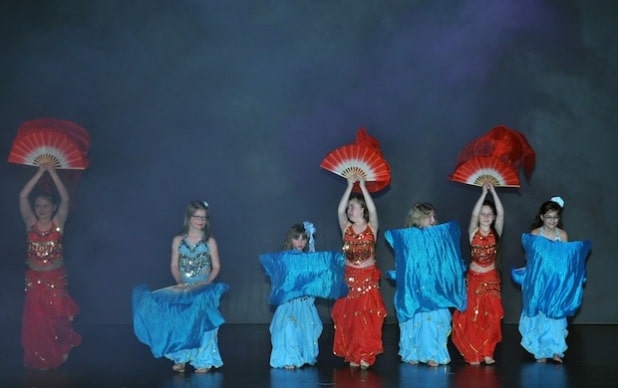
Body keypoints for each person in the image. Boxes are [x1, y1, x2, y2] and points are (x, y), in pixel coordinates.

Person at [132, 200, 228, 374]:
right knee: (181, 323)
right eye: (197, 217)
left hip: (203, 288)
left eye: (204, 218)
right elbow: (174, 265)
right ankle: (181, 358)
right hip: (183, 288)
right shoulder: (178, 240)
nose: (201, 221)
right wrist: (178, 280)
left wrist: (206, 283)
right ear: (189, 217)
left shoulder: (209, 241)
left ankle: (203, 360)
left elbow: (217, 267)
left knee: (204, 323)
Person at [386, 202, 466, 367]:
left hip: (434, 288)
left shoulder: (439, 237)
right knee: (414, 318)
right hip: (414, 288)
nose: (432, 220)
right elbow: (404, 260)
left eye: (434, 216)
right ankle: (412, 351)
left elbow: (446, 260)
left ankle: (433, 354)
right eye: (428, 216)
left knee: (434, 320)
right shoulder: (409, 237)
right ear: (418, 218)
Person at [19, 163, 81, 370]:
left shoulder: (58, 223)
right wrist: (39, 173)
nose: (41, 209)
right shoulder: (30, 222)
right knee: (37, 322)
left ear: (52, 207)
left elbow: (65, 199)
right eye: (38, 206)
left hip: (55, 280)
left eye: (46, 206)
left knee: (57, 319)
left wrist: (53, 173)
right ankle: (42, 357)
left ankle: (60, 349)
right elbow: (22, 197)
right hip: (34, 279)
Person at [514, 197, 590, 364]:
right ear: (542, 217)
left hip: (556, 283)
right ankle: (539, 350)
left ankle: (556, 350)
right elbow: (529, 256)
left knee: (556, 316)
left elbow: (566, 260)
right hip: (539, 281)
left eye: (555, 217)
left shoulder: (562, 235)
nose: (552, 221)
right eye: (549, 217)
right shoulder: (535, 234)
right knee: (539, 314)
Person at [331, 176, 386, 369]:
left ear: (362, 209)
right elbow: (339, 210)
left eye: (353, 207)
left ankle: (366, 353)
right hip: (350, 279)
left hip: (368, 278)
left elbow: (373, 210)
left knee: (367, 318)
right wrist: (348, 188)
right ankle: (354, 353)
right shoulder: (346, 228)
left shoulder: (372, 227)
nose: (349, 210)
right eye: (349, 208)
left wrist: (362, 188)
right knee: (351, 319)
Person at [452, 183, 505, 365]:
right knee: (473, 316)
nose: (485, 217)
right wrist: (483, 193)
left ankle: (488, 351)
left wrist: (494, 193)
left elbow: (502, 214)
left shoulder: (496, 232)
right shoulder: (473, 232)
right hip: (474, 279)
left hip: (490, 279)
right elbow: (474, 215)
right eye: (483, 214)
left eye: (489, 214)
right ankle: (473, 352)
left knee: (491, 316)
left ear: (493, 218)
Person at [268, 222, 323, 369]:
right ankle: (289, 356)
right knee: (288, 326)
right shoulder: (285, 258)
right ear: (290, 239)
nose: (300, 242)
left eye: (304, 238)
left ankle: (301, 354)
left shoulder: (309, 259)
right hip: (288, 302)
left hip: (303, 303)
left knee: (304, 329)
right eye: (296, 238)